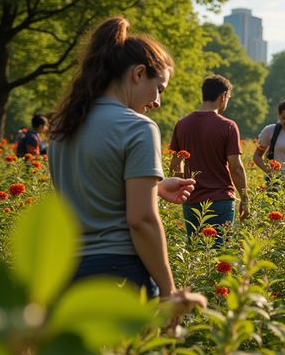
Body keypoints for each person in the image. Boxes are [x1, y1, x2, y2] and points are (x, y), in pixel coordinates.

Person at [48, 16, 205, 314]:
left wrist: (155, 187)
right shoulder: (137, 128)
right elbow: (141, 220)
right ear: (139, 73)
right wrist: (169, 291)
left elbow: (90, 185)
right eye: (159, 88)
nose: (158, 101)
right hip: (119, 273)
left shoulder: (63, 126)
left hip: (66, 275)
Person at [169, 75, 249, 243]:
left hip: (192, 201)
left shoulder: (182, 124)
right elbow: (236, 168)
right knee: (220, 255)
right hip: (221, 200)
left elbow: (175, 166)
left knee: (196, 253)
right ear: (223, 96)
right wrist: (245, 200)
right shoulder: (228, 126)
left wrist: (185, 187)